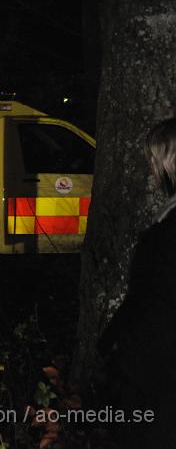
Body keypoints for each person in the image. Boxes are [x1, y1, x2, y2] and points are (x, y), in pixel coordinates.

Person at [98, 117, 176, 446]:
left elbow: (151, 300)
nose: (151, 172)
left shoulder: (167, 233)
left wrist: (114, 347)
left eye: (153, 161)